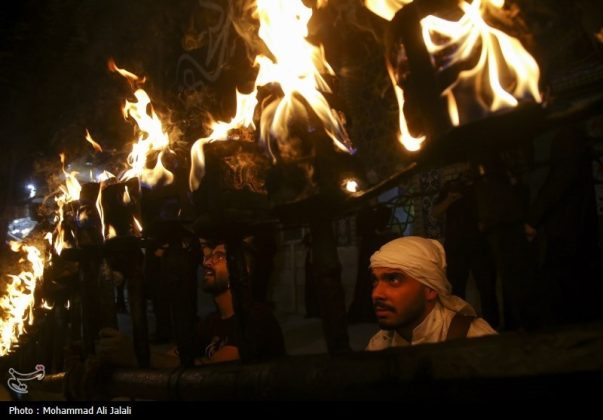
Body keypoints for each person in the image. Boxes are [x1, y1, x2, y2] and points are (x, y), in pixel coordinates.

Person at [97, 241, 285, 367]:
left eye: (219, 257)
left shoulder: (257, 318)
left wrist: (135, 355)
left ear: (242, 269)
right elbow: (175, 356)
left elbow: (213, 372)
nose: (206, 262)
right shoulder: (210, 322)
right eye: (208, 256)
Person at [366, 236, 496, 350]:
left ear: (431, 289)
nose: (376, 294)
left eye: (393, 280)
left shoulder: (475, 341)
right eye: (375, 281)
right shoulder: (379, 344)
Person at [431, 175, 499, 328]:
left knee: (486, 287)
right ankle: (458, 325)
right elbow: (435, 213)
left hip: (479, 244)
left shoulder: (477, 188)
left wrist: (484, 223)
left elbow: (490, 210)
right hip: (456, 247)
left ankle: (492, 325)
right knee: (456, 289)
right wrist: (449, 199)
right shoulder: (448, 191)